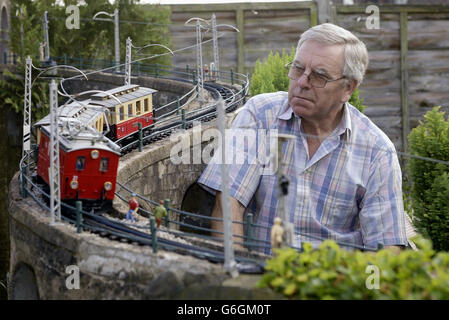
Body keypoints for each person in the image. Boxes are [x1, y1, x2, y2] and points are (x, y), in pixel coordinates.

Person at [198, 23, 408, 254]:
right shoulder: (260, 114)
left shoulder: (377, 151)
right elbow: (228, 203)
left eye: (319, 76)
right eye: (298, 69)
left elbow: (386, 246)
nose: (301, 82)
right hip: (260, 276)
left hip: (331, 283)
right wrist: (236, 273)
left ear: (348, 88)